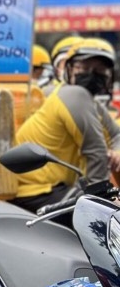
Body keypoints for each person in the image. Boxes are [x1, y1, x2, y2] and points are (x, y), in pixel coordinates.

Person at [12, 38, 120, 221]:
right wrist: (100, 207)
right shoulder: (73, 94)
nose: (91, 74)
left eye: (99, 70)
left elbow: (116, 134)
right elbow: (96, 153)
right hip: (37, 191)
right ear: (68, 70)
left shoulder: (88, 100)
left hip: (60, 187)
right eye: (83, 68)